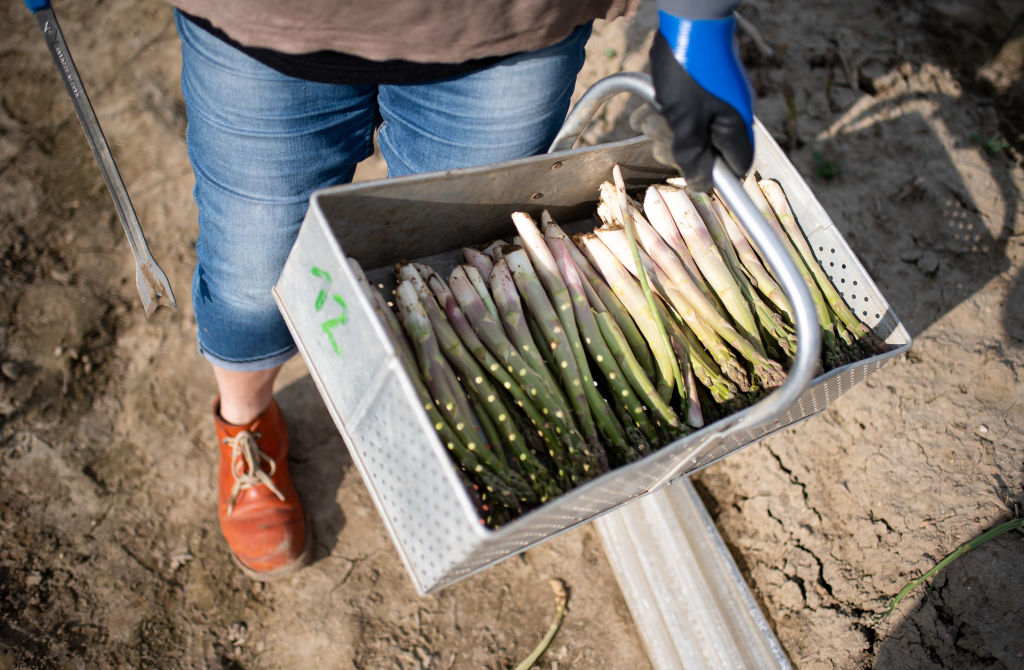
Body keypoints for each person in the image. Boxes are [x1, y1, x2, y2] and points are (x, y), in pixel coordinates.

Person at [167, 0, 753, 580]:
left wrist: (697, 21)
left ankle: (436, 420)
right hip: (261, 26)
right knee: (253, 272)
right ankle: (244, 423)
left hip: (506, 24)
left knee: (452, 260)